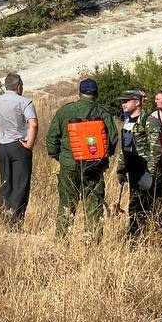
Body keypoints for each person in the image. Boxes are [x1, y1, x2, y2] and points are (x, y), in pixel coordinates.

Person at [46, 78, 117, 241]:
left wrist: (60, 157)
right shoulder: (103, 112)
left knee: (67, 203)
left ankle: (61, 241)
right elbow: (112, 139)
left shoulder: (65, 111)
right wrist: (100, 158)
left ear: (79, 93)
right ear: (96, 94)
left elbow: (51, 138)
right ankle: (92, 243)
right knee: (93, 205)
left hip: (69, 166)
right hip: (94, 167)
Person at [0, 73, 38, 229]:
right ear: (19, 87)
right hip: (19, 146)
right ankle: (15, 223)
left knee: (6, 183)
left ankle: (4, 218)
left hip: (2, 147)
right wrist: (29, 144)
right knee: (20, 185)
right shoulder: (24, 102)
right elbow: (32, 124)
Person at [114, 88, 162, 238]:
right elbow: (125, 148)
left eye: (126, 101)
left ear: (137, 102)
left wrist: (149, 173)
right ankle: (135, 237)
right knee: (135, 205)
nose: (123, 104)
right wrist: (121, 171)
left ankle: (161, 236)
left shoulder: (149, 122)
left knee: (156, 205)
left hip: (149, 172)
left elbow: (156, 150)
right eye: (122, 101)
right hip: (134, 171)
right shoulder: (127, 122)